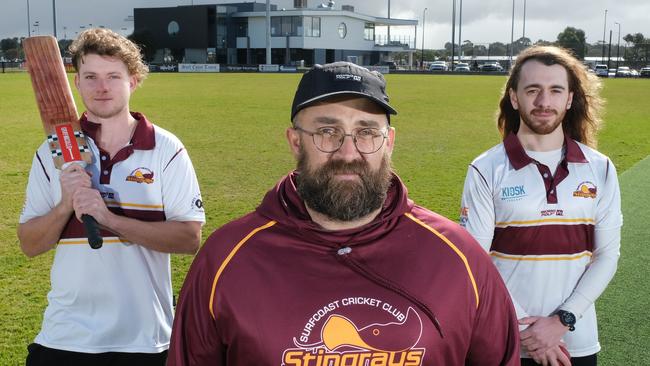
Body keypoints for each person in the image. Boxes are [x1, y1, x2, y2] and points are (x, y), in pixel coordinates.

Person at [168, 61, 519, 365]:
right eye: (327, 131)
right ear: (295, 141)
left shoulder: (459, 257)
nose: (348, 152)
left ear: (389, 141)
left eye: (366, 132)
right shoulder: (226, 259)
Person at [18, 28, 205, 366]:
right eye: (90, 76)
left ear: (133, 81)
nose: (101, 87)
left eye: (113, 76)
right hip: (65, 338)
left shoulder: (166, 150)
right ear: (76, 83)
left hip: (146, 341)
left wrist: (108, 219)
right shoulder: (52, 153)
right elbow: (29, 244)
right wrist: (65, 206)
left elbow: (189, 238)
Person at [460, 46, 622, 366]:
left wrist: (562, 321)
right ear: (514, 98)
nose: (544, 102)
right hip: (504, 340)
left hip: (575, 341)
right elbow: (475, 263)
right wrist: (528, 332)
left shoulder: (600, 168)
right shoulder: (486, 169)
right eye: (533, 90)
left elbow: (607, 256)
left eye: (555, 90)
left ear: (570, 99)